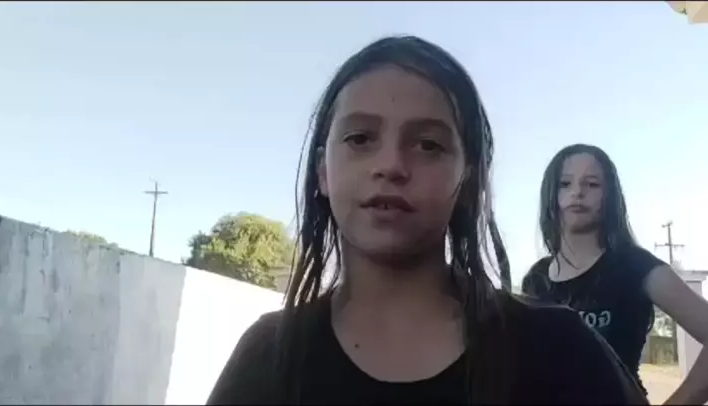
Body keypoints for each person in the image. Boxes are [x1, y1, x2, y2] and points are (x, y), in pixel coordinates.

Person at [208, 36, 647, 405]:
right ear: (323, 170)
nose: (391, 165)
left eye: (428, 145)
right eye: (360, 138)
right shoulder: (268, 356)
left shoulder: (559, 348)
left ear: (470, 180)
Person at [522, 143, 708, 405]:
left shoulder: (634, 266)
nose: (577, 192)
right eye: (565, 183)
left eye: (592, 184)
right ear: (550, 195)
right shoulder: (535, 279)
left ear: (609, 197)